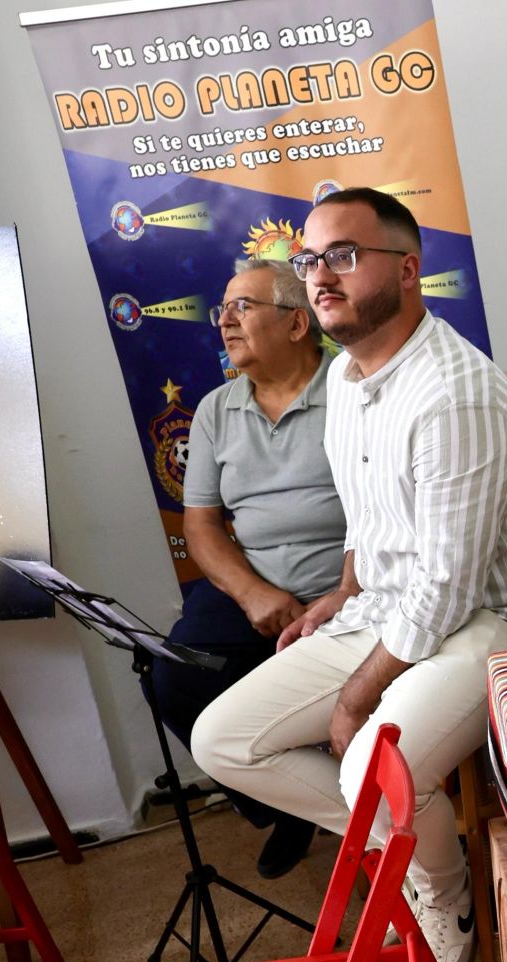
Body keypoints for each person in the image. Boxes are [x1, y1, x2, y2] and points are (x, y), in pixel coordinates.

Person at [192, 188, 507, 962]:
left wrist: (354, 696)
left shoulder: (454, 393)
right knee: (220, 740)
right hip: (396, 607)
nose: (319, 276)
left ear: (407, 270)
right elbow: (370, 526)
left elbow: (446, 584)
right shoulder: (348, 382)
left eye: (342, 256)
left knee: (368, 755)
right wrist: (342, 593)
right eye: (309, 260)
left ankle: (439, 885)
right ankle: (415, 847)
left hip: (505, 619)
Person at [158, 257, 343, 879]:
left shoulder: (352, 386)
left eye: (243, 308)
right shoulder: (215, 409)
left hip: (348, 583)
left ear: (297, 324)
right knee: (173, 676)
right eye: (223, 311)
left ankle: (336, 802)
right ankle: (284, 801)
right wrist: (253, 593)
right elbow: (202, 525)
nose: (225, 323)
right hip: (257, 582)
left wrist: (344, 593)